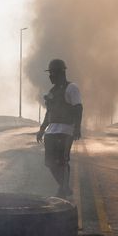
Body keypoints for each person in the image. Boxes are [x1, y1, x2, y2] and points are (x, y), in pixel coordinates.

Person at [36, 59, 82, 198]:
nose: (50, 76)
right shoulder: (52, 92)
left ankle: (63, 190)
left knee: (62, 161)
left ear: (61, 73)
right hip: (51, 131)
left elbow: (78, 108)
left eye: (52, 73)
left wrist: (77, 128)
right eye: (50, 73)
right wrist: (42, 129)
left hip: (65, 130)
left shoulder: (72, 88)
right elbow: (48, 113)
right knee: (50, 163)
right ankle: (64, 186)